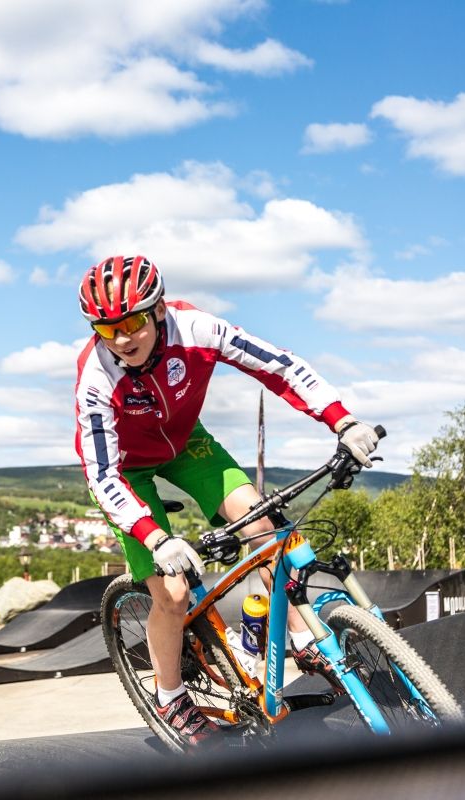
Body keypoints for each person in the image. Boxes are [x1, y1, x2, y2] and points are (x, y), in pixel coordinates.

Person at [74, 254, 379, 746]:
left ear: (155, 311)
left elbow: (277, 366)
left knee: (264, 529)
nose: (122, 339)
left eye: (131, 322)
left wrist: (341, 419)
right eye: (105, 329)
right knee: (171, 594)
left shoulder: (196, 328)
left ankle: (305, 640)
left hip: (187, 444)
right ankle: (171, 696)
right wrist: (155, 538)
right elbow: (101, 473)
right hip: (128, 470)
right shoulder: (97, 375)